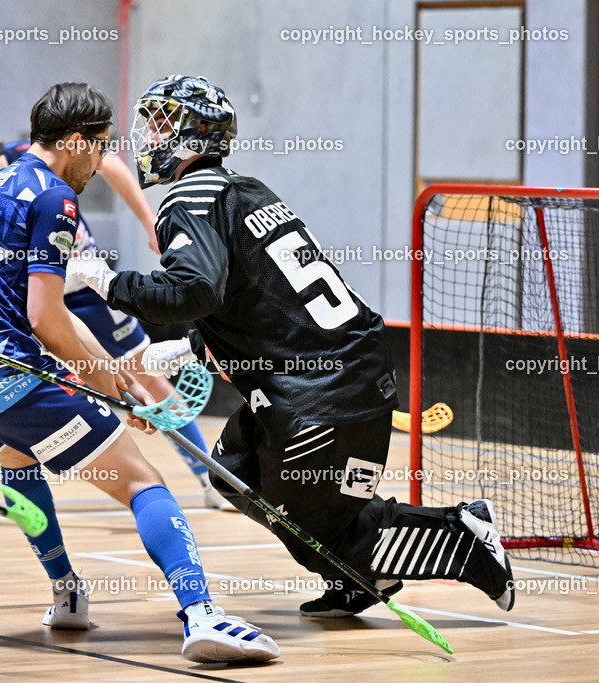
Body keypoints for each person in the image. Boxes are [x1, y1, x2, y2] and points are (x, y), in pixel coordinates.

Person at [68, 74, 516, 618]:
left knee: (310, 520)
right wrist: (188, 349)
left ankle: (462, 535)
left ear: (192, 134)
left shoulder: (187, 200)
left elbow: (195, 290)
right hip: (337, 371)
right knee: (237, 472)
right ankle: (358, 575)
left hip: (323, 389)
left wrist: (107, 282)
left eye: (161, 124)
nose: (147, 137)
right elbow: (266, 301)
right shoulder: (247, 190)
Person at [0, 82, 280, 664]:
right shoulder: (55, 196)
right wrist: (110, 388)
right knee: (142, 481)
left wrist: (115, 379)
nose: (103, 162)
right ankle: (202, 615)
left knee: (17, 457)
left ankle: (66, 595)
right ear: (77, 141)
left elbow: (46, 315)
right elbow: (45, 318)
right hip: (3, 377)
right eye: (101, 148)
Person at [0, 112, 233, 511]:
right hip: (28, 304)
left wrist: (148, 221)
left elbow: (111, 164)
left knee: (148, 377)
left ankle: (208, 478)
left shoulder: (39, 157)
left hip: (85, 289)